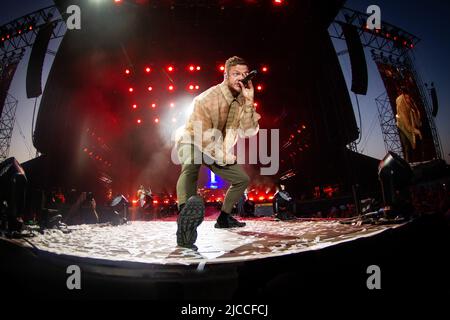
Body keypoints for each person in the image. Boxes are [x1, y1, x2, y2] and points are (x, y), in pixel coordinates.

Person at [175, 56, 261, 249]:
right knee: (190, 166)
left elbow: (249, 131)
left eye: (245, 74)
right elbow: (202, 137)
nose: (242, 78)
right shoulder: (206, 99)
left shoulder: (242, 100)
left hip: (218, 150)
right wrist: (223, 156)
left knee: (242, 179)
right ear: (226, 75)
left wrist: (249, 101)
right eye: (236, 74)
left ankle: (224, 218)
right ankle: (184, 218)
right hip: (193, 140)